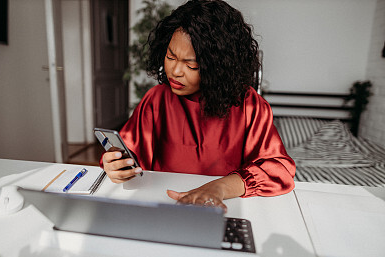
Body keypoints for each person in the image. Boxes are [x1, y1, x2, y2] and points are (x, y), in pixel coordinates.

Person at [101, 0, 295, 212]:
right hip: (164, 206)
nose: (175, 71)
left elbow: (279, 170)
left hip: (225, 209)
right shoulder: (156, 100)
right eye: (170, 56)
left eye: (191, 65)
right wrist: (117, 165)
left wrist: (218, 188)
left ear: (217, 67)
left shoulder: (249, 106)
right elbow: (130, 154)